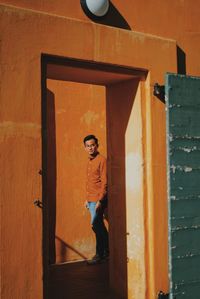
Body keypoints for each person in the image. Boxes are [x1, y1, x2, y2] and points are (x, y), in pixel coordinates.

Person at [83, 134, 109, 264]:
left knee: (96, 225)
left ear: (97, 145)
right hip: (91, 199)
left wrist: (100, 200)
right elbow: (90, 182)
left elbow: (104, 181)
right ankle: (108, 251)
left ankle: (99, 254)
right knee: (99, 226)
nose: (90, 148)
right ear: (85, 148)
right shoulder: (89, 161)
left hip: (99, 199)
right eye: (88, 146)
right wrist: (87, 199)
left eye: (92, 145)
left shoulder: (102, 160)